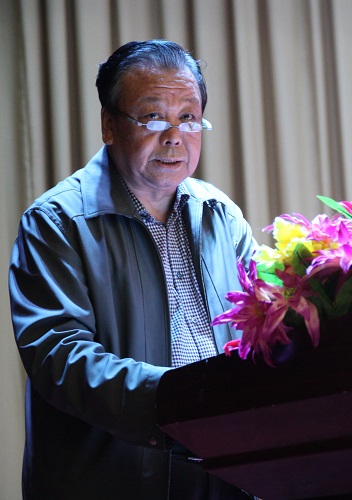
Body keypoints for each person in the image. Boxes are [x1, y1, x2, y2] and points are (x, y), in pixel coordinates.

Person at [8, 40, 256, 499]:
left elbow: (263, 324)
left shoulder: (221, 215)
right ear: (109, 124)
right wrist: (181, 403)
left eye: (188, 117)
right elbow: (60, 357)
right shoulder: (57, 222)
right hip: (113, 483)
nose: (174, 136)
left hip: (225, 480)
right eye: (154, 117)